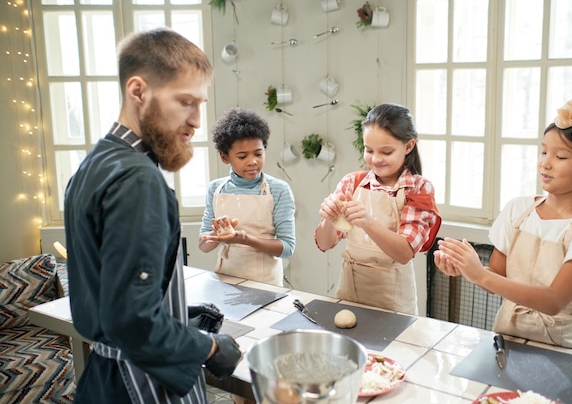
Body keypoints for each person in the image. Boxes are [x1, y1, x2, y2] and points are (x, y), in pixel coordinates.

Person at [64, 27, 242, 404]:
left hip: (103, 377)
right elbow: (132, 321)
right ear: (138, 91)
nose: (196, 121)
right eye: (185, 102)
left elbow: (112, 294)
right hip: (136, 384)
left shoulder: (96, 162)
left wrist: (179, 312)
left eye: (200, 105)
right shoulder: (138, 179)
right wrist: (210, 348)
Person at [435, 98, 572, 353]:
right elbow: (496, 274)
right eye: (544, 152)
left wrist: (480, 274)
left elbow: (554, 301)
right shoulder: (517, 210)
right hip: (507, 339)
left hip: (565, 349)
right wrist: (464, 268)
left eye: (561, 156)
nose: (545, 163)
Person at [314, 103, 442, 314]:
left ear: (408, 146)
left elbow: (404, 253)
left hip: (394, 302)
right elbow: (324, 243)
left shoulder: (419, 188)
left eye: (386, 151)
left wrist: (368, 222)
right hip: (349, 293)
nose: (375, 159)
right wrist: (330, 218)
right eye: (369, 150)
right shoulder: (352, 183)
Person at [198, 107, 296, 286]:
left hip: (266, 284)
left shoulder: (278, 190)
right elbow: (204, 246)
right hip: (225, 279)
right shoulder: (216, 189)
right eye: (242, 156)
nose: (253, 161)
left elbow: (287, 248)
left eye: (258, 154)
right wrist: (218, 232)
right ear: (224, 157)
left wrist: (244, 239)